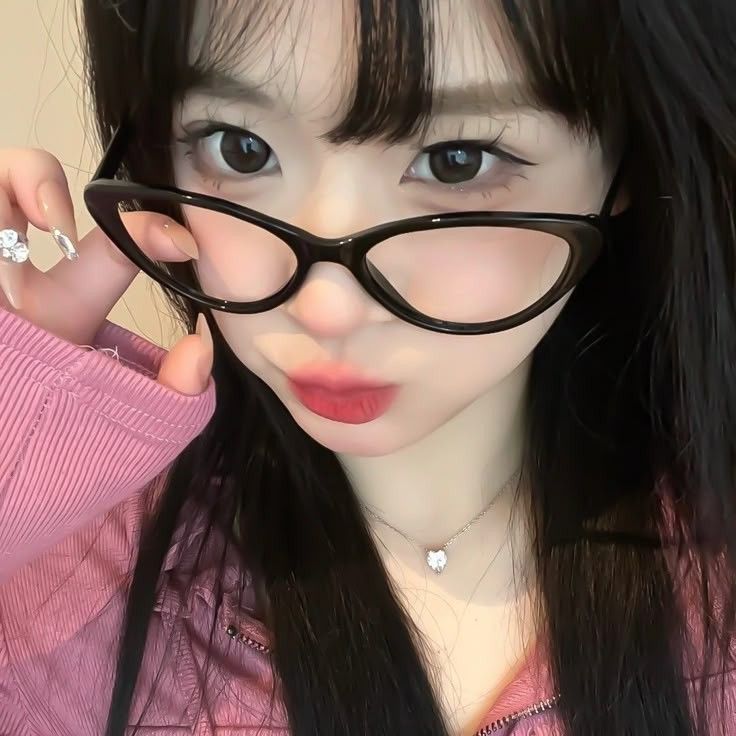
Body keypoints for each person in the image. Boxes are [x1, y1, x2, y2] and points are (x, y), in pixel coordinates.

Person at [0, 1, 734, 734]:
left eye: (457, 161)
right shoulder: (70, 579)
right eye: (240, 149)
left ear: (628, 158)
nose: (328, 306)